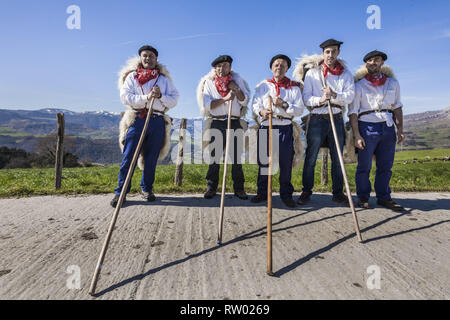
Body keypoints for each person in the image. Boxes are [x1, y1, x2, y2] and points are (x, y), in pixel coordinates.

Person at [111, 45, 179, 207]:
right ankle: (121, 192)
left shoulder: (163, 80)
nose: (148, 58)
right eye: (145, 56)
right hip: (137, 119)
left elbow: (175, 98)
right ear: (140, 58)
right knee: (129, 156)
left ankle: (147, 189)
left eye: (151, 56)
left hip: (157, 121)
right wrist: (146, 97)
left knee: (151, 158)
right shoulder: (132, 77)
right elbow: (125, 97)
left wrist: (161, 95)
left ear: (156, 59)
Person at [297, 39, 355, 206]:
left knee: (337, 158)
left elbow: (350, 96)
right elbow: (306, 97)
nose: (330, 55)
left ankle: (338, 193)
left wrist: (335, 95)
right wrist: (322, 98)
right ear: (323, 53)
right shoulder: (313, 73)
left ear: (338, 53)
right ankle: (306, 191)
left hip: (336, 117)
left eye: (334, 51)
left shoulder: (345, 74)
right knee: (311, 156)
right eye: (327, 52)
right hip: (317, 118)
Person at [349, 50, 405, 211]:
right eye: (370, 60)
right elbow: (353, 112)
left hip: (387, 127)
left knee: (385, 165)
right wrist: (356, 134)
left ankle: (384, 197)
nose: (373, 63)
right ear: (366, 64)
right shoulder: (359, 86)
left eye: (377, 60)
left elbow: (397, 107)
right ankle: (363, 197)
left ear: (382, 63)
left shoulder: (393, 83)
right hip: (367, 125)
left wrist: (400, 129)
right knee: (364, 165)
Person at [251, 54, 304, 208]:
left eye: (282, 65)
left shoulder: (293, 87)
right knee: (264, 163)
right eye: (276, 65)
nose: (279, 67)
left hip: (285, 126)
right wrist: (261, 112)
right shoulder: (263, 86)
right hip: (266, 125)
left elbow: (299, 110)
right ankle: (262, 193)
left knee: (285, 162)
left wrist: (284, 104)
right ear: (271, 67)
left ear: (287, 68)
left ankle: (286, 195)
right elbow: (255, 105)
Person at [197, 55, 250, 200]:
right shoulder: (209, 82)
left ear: (230, 67)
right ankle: (211, 187)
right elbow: (208, 105)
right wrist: (226, 99)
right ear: (215, 68)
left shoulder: (238, 80)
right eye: (219, 66)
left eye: (225, 65)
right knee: (214, 158)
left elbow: (245, 101)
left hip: (234, 122)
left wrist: (236, 89)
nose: (222, 69)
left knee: (236, 158)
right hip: (217, 122)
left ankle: (239, 189)